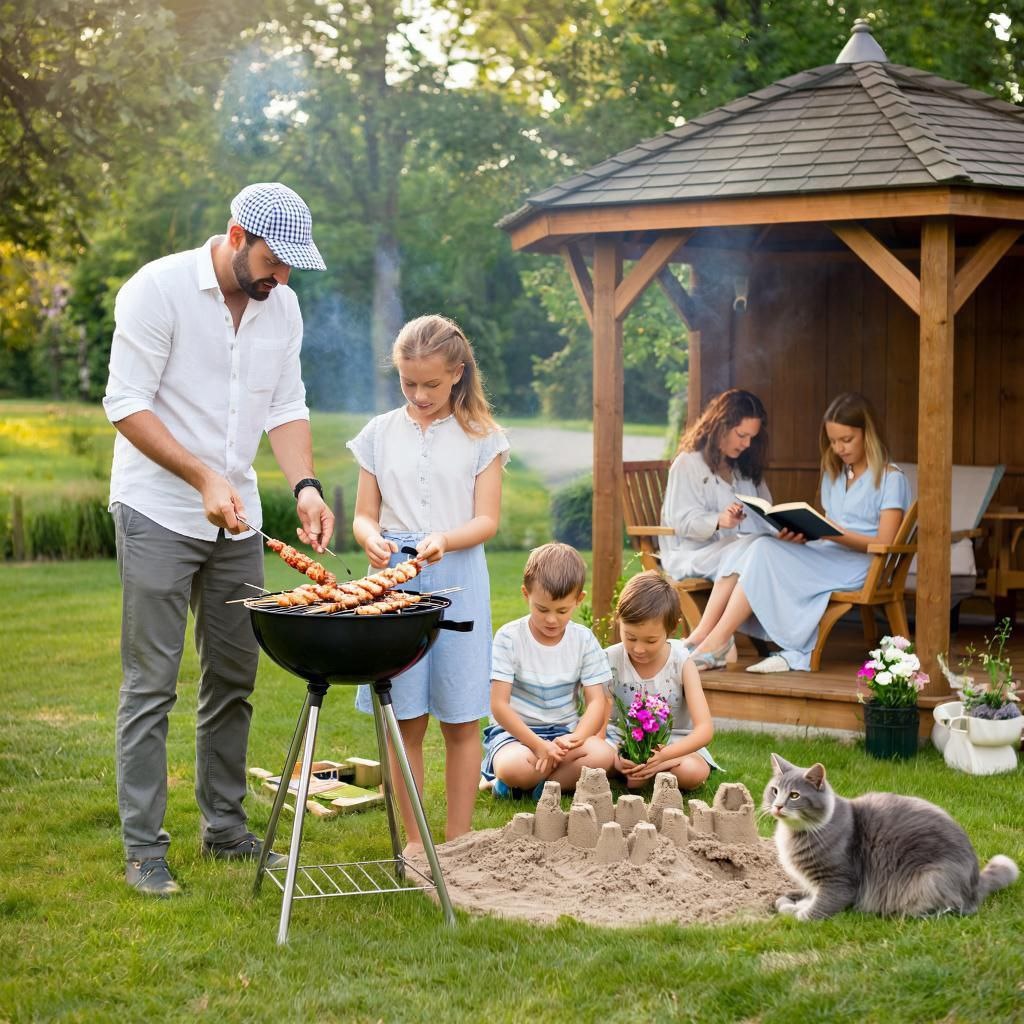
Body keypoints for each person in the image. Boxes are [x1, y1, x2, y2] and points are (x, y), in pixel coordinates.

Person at [103, 182, 334, 898]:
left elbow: (287, 406)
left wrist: (304, 486)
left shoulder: (282, 306)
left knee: (234, 676)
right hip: (158, 509)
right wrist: (202, 475)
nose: (283, 277)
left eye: (293, 266)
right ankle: (144, 848)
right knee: (152, 683)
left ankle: (226, 830)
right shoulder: (159, 289)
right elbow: (125, 403)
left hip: (235, 516)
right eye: (274, 259)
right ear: (237, 236)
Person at [348, 314, 509, 856]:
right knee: (405, 717)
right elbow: (364, 515)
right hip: (393, 581)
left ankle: (458, 841)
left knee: (462, 716)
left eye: (431, 385)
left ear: (458, 373)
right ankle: (415, 844)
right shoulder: (377, 434)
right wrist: (370, 536)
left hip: (458, 574)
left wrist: (446, 538)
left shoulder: (483, 438)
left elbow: (487, 521)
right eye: (408, 383)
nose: (418, 395)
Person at [685, 392, 910, 673]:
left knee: (763, 551)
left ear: (868, 434)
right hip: (829, 553)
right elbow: (831, 529)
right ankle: (711, 638)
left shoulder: (891, 478)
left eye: (847, 440)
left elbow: (884, 543)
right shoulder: (836, 474)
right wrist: (805, 532)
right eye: (833, 441)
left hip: (864, 564)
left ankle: (716, 642)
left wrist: (830, 534)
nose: (839, 448)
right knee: (761, 546)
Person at [482, 543, 614, 798]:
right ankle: (532, 781)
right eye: (542, 609)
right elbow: (499, 705)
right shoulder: (509, 637)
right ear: (525, 594)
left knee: (603, 756)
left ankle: (535, 786)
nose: (551, 619)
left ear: (579, 600)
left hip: (564, 736)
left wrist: (575, 738)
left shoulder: (584, 640)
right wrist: (538, 746)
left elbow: (596, 701)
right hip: (517, 736)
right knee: (513, 766)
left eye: (562, 611)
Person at [604, 571, 718, 790]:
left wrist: (665, 756)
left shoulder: (681, 663)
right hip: (618, 742)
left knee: (693, 772)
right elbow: (597, 725)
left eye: (651, 640)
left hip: (673, 745)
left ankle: (652, 771)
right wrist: (618, 756)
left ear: (671, 629)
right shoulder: (609, 660)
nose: (638, 648)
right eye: (630, 637)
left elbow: (704, 729)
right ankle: (629, 770)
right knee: (597, 757)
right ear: (619, 620)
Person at [659, 389, 775, 581]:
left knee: (775, 552)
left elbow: (767, 513)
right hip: (696, 554)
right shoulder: (688, 464)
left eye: (751, 438)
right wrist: (719, 520)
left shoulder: (744, 466)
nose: (747, 444)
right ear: (721, 427)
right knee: (756, 554)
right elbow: (682, 522)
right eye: (741, 435)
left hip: (745, 548)